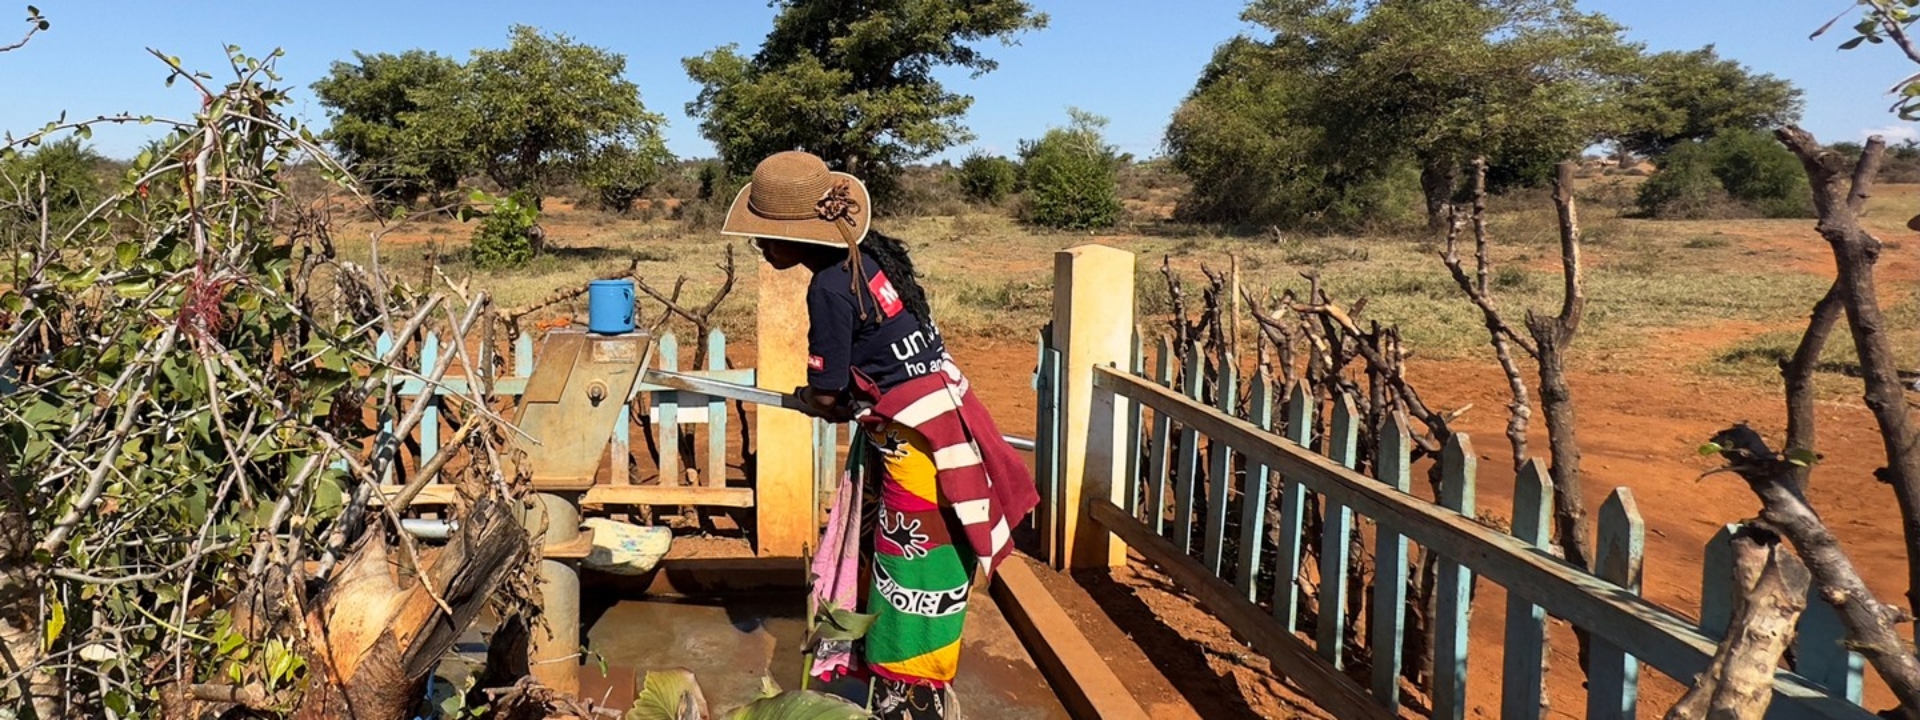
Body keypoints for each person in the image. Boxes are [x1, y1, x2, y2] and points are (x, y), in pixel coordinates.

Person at [720, 150, 1038, 720]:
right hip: (946, 417)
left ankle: (909, 700)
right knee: (925, 563)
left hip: (914, 445)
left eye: (766, 238)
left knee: (911, 568)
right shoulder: (869, 258)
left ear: (800, 237)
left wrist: (814, 401)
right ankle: (911, 685)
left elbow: (827, 393)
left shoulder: (827, 289)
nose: (762, 250)